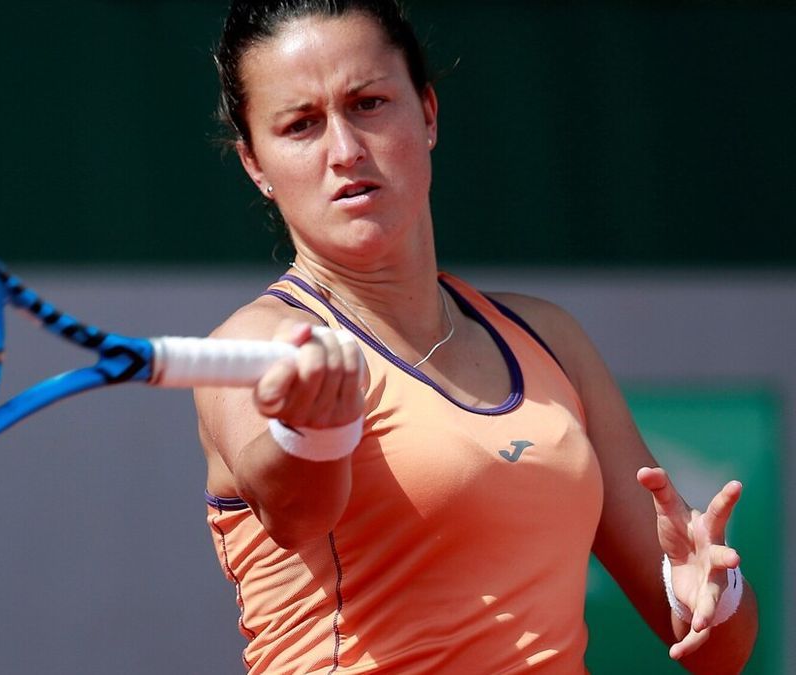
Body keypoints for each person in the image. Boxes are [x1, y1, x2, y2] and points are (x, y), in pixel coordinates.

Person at [194, 1, 759, 672]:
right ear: (255, 164)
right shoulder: (257, 344)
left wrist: (710, 592)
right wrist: (309, 430)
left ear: (427, 112)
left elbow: (718, 653)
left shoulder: (549, 339)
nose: (344, 151)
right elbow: (293, 511)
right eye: (302, 125)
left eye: (369, 104)